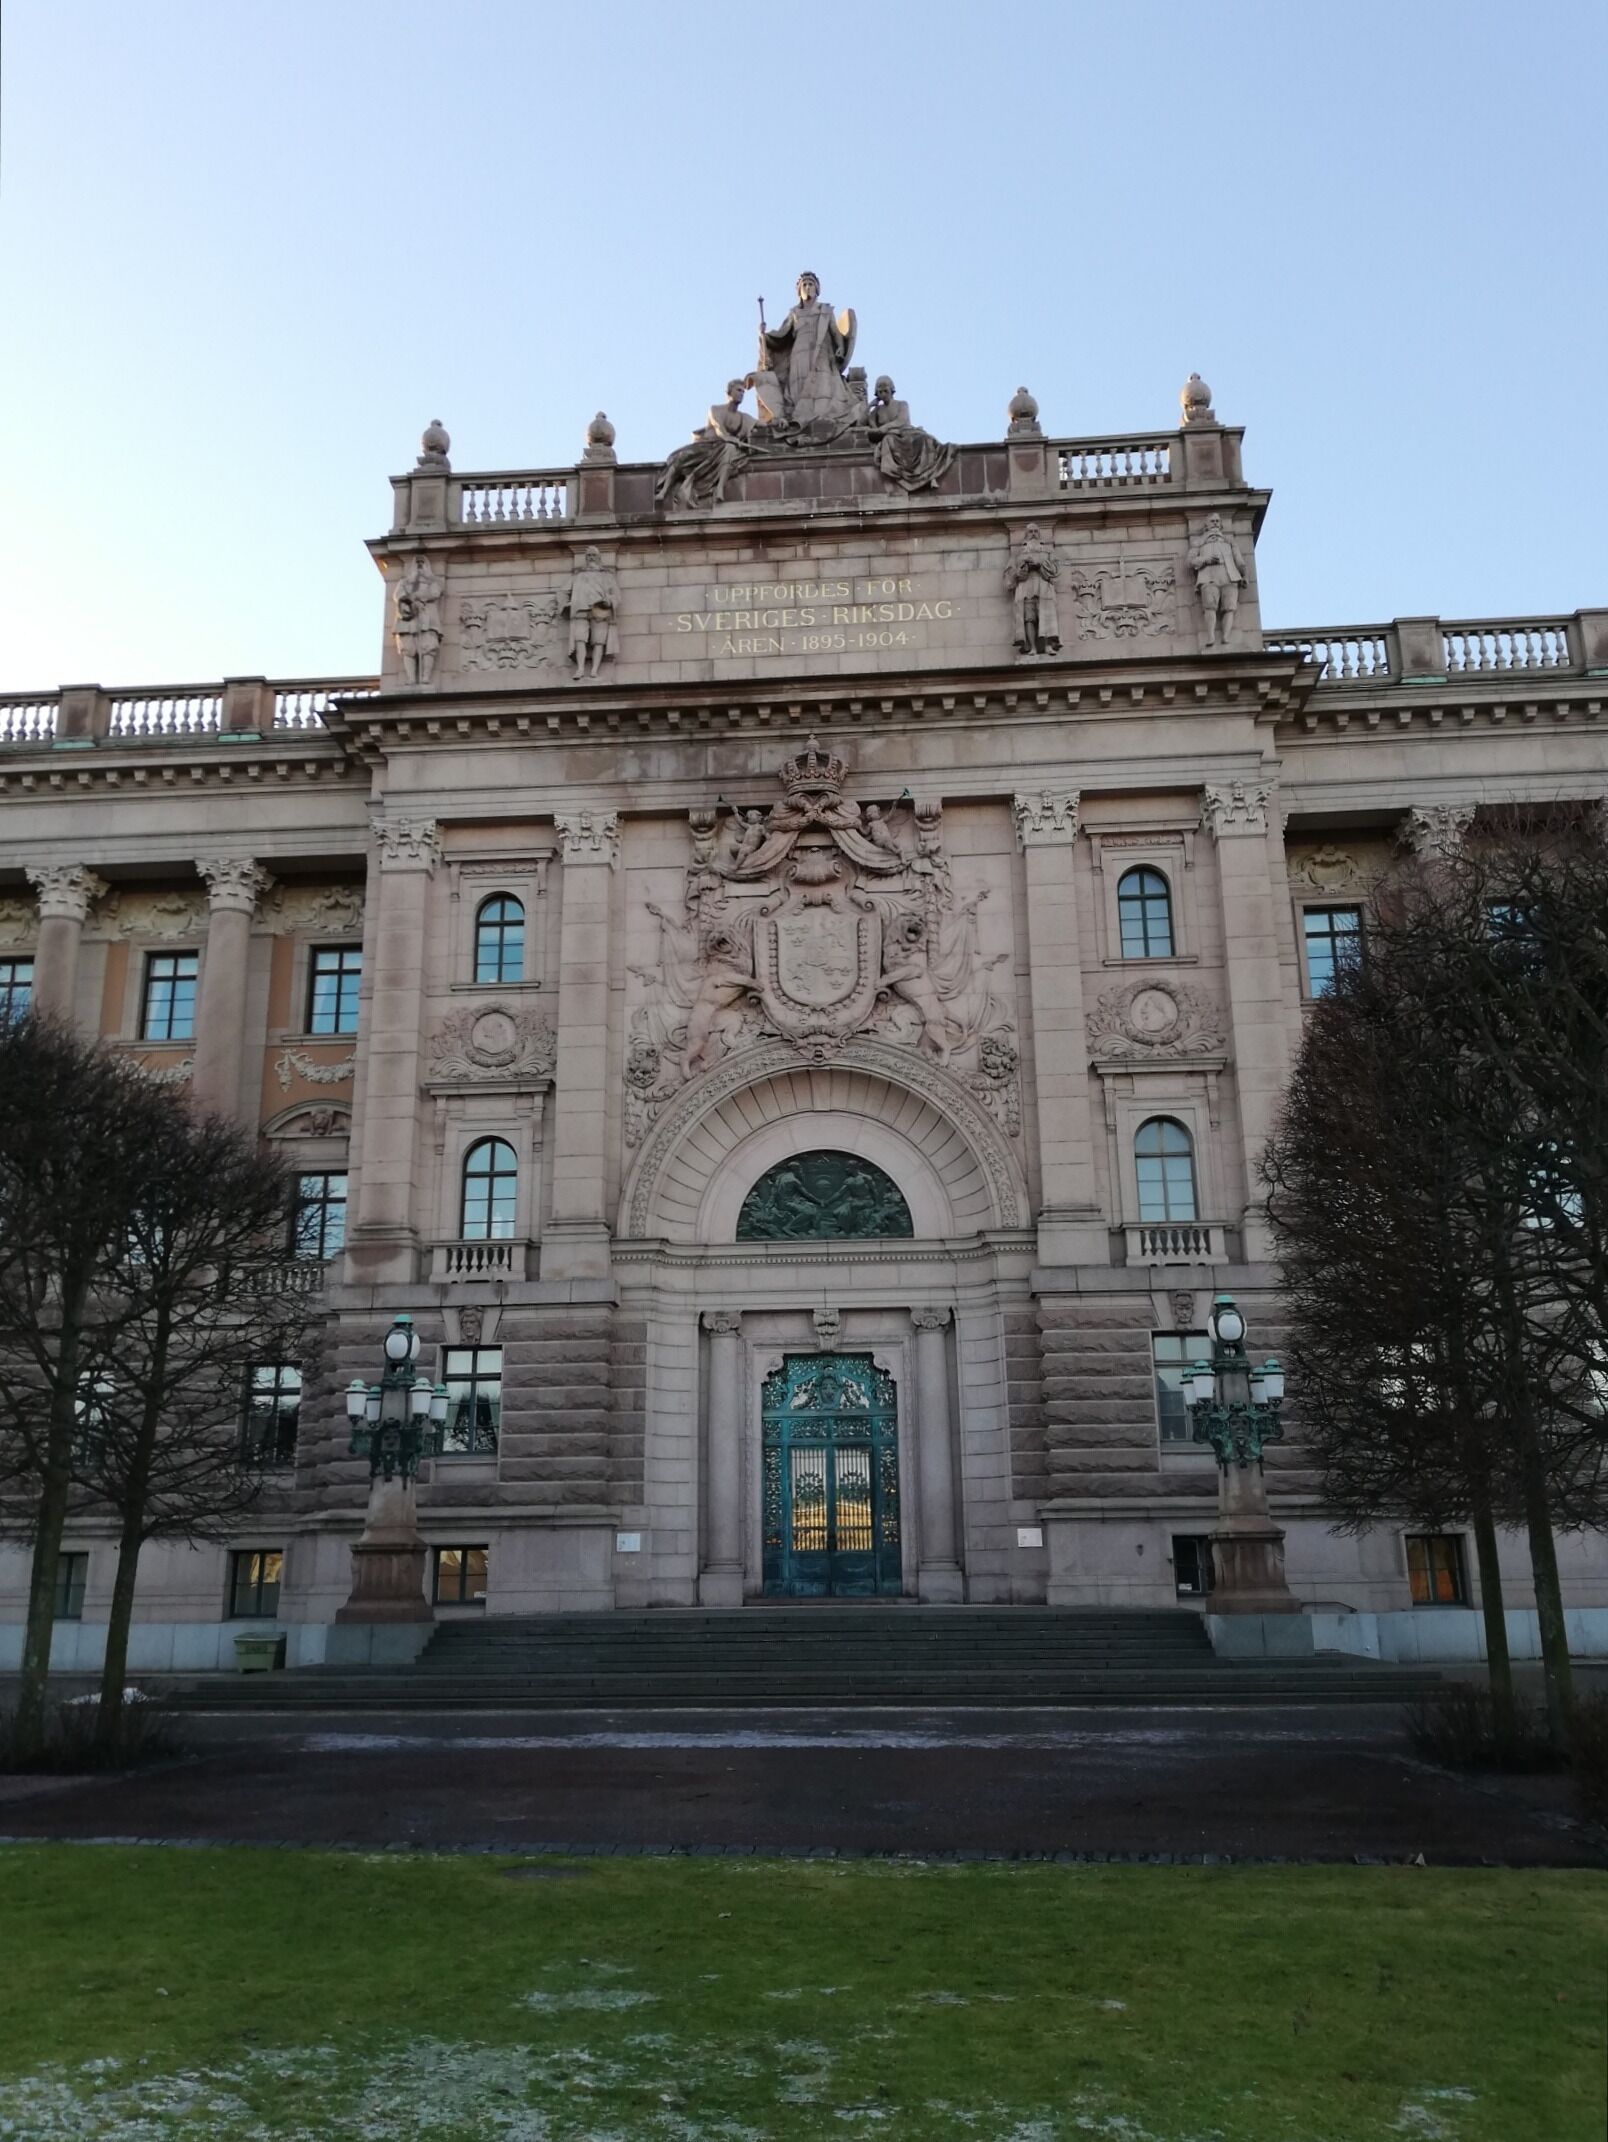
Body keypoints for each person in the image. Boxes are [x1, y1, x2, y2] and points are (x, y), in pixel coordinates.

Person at [758, 273, 858, 432]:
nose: (807, 287)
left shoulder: (825, 310)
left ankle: (822, 417)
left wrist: (839, 346)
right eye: (804, 285)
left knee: (822, 382)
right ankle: (797, 418)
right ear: (799, 291)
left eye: (811, 284)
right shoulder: (794, 313)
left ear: (817, 289)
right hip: (799, 352)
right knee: (799, 384)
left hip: (822, 351)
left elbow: (834, 330)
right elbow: (782, 334)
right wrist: (764, 334)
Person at [656, 381, 757, 511]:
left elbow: (761, 424)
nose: (741, 394)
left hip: (723, 448)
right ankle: (663, 491)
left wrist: (778, 421)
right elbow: (719, 428)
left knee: (730, 449)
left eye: (743, 392)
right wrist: (730, 438)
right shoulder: (715, 409)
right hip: (705, 446)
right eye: (738, 390)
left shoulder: (743, 417)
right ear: (729, 392)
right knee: (681, 458)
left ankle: (719, 489)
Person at [868, 376, 955, 494]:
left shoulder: (902, 404)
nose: (883, 394)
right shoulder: (877, 411)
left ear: (891, 390)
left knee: (925, 440)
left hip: (907, 433)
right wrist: (870, 406)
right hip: (892, 437)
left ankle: (929, 476)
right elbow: (866, 424)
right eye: (880, 392)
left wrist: (884, 428)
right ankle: (901, 474)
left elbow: (901, 421)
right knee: (888, 440)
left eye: (885, 391)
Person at [1189, 513, 1245, 648]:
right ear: (1206, 525)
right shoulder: (1199, 542)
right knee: (1209, 606)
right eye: (1212, 521)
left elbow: (1239, 561)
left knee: (1230, 608)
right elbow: (1190, 561)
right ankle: (1211, 636)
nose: (1215, 523)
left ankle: (1226, 636)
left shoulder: (1229, 541)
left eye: (1217, 521)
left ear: (1220, 524)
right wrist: (1205, 560)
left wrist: (1245, 575)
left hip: (1230, 577)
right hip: (1208, 577)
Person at [1004, 523, 1061, 655]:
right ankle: (1032, 647)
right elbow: (1009, 574)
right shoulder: (1019, 555)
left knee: (1045, 616)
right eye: (1030, 532)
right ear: (1026, 535)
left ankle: (1047, 646)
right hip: (1026, 589)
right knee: (1029, 618)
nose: (1033, 534)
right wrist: (1023, 568)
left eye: (1036, 531)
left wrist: (1040, 565)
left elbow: (1056, 570)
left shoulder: (1047, 552)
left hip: (1043, 588)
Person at [564, 545, 619, 679]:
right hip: (581, 610)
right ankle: (580, 669)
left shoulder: (607, 576)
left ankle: (594, 670)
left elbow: (616, 595)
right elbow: (563, 591)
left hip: (599, 610)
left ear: (598, 557)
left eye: (593, 555)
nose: (591, 558)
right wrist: (567, 604)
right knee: (579, 639)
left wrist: (609, 601)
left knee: (598, 641)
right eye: (588, 555)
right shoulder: (579, 576)